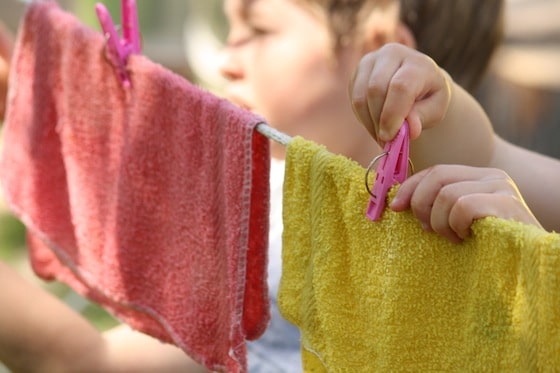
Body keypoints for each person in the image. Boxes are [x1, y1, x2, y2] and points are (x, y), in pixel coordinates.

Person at [2, 0, 543, 372]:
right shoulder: (272, 230)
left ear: (374, 45)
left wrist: (430, 97)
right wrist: (42, 106)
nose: (224, 62)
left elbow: (478, 151)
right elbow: (89, 359)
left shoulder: (460, 236)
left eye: (255, 30)